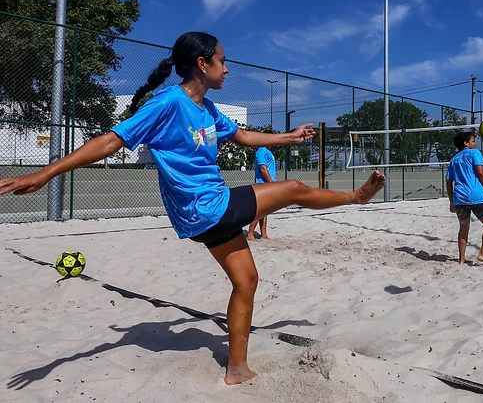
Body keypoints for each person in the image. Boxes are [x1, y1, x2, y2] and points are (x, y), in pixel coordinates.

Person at [0, 31, 386, 386]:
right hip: (206, 208)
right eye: (222, 60)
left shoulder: (209, 108)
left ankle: (236, 369)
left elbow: (244, 136)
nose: (227, 67)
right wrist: (47, 172)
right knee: (294, 188)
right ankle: (355, 198)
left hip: (205, 216)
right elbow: (109, 141)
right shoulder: (168, 103)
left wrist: (289, 136)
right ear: (203, 64)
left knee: (247, 281)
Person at [445, 132, 483, 265]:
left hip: (459, 197)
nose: (475, 143)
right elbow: (480, 172)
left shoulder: (454, 159)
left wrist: (451, 200)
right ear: (466, 143)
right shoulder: (474, 153)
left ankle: (461, 260)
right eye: (473, 141)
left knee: (463, 228)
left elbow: (448, 181)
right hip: (475, 195)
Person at [246, 147, 276, 242]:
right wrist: (271, 182)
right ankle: (250, 234)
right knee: (259, 210)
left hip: (267, 184)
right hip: (262, 184)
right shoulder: (261, 150)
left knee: (265, 210)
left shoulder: (268, 151)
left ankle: (264, 234)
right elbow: (262, 168)